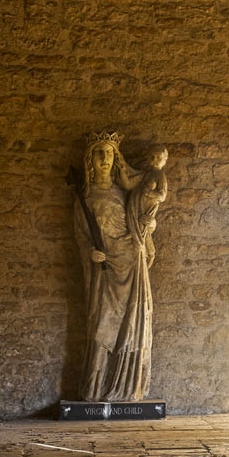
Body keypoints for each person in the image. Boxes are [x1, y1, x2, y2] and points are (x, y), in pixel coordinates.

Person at [71, 133, 169, 401]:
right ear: (90, 159)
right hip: (105, 267)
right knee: (101, 323)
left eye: (110, 154)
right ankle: (94, 388)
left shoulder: (122, 192)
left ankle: (128, 389)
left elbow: (137, 219)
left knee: (131, 323)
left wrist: (151, 226)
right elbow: (81, 234)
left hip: (131, 258)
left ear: (116, 160)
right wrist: (89, 252)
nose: (105, 159)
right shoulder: (85, 197)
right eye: (99, 153)